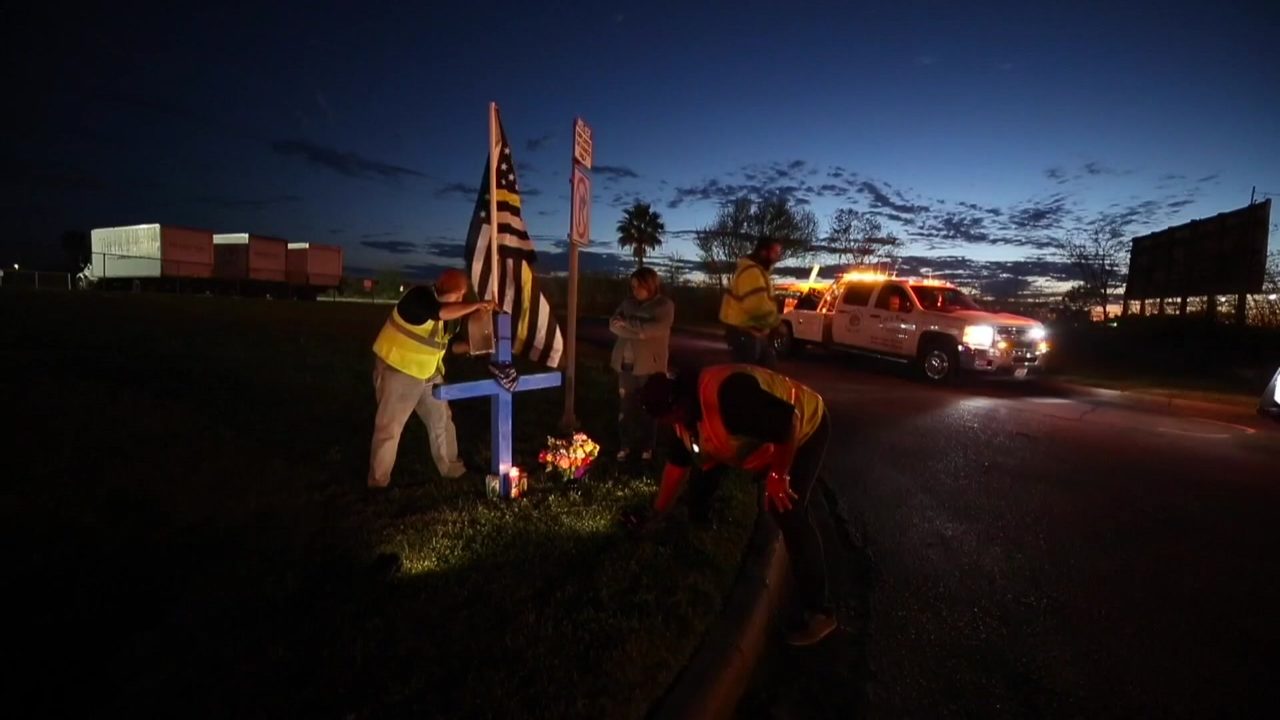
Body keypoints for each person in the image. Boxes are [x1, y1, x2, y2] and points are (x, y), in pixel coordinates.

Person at [637, 364, 836, 646]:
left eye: (667, 417)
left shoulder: (730, 397)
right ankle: (700, 518)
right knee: (705, 469)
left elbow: (788, 422)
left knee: (786, 509)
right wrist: (657, 513)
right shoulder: (685, 419)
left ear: (677, 404)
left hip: (806, 426)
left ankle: (819, 611)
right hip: (772, 431)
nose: (668, 424)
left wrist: (779, 475)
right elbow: (677, 468)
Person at [367, 269, 494, 488]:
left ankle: (452, 470)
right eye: (459, 294)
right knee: (389, 429)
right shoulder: (418, 296)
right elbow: (439, 312)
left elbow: (448, 346)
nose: (461, 299)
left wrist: (472, 347)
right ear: (445, 289)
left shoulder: (452, 316)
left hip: (429, 373)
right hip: (398, 371)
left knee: (442, 421)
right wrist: (476, 305)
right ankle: (378, 483)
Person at [608, 267, 674, 462]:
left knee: (649, 408)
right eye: (633, 286)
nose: (635, 290)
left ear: (650, 285)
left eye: (639, 286)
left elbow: (654, 329)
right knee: (625, 408)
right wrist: (638, 332)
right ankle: (625, 445)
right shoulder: (627, 303)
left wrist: (627, 324)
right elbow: (613, 324)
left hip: (649, 366)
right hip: (625, 364)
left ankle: (648, 447)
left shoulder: (664, 306)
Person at [719, 238, 783, 368]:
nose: (778, 257)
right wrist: (775, 323)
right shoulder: (751, 273)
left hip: (751, 333)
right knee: (752, 374)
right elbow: (757, 306)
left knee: (762, 373)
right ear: (764, 252)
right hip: (746, 334)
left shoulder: (757, 272)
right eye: (775, 253)